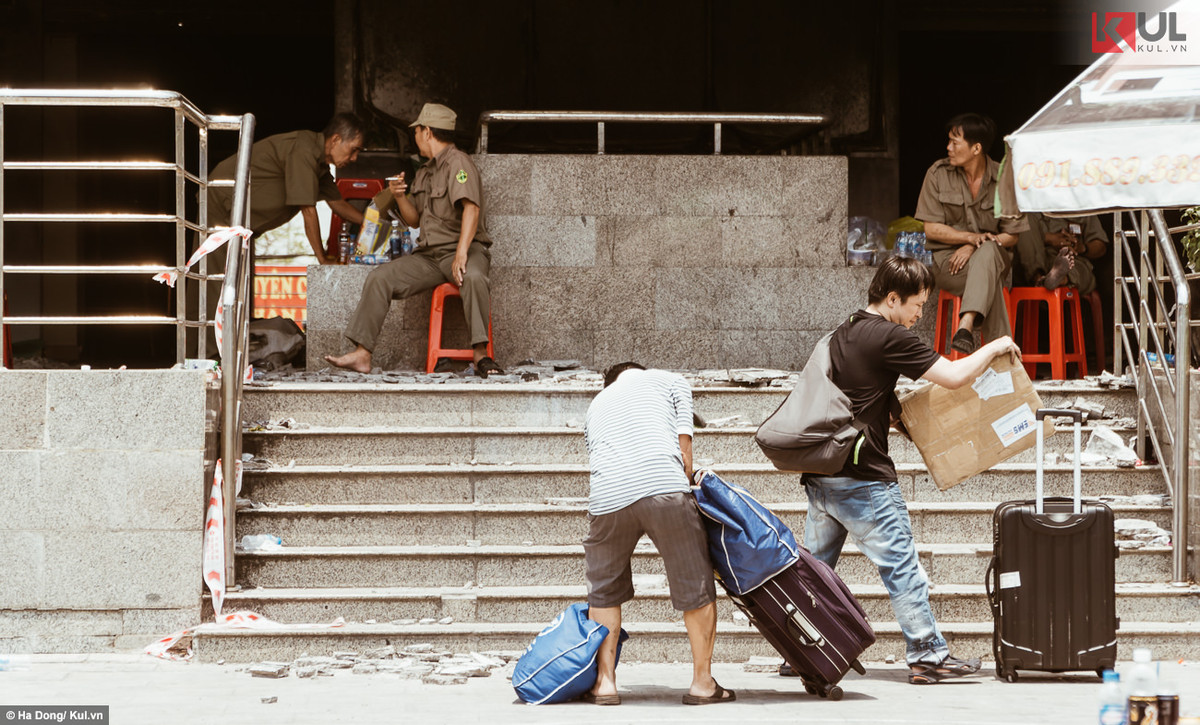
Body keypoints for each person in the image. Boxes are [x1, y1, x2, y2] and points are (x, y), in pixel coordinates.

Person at [804, 255, 1021, 685]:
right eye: (917, 305)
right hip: (864, 477)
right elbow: (955, 376)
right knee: (902, 566)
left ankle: (802, 648)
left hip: (824, 474)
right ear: (891, 299)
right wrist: (997, 344)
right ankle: (927, 653)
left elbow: (861, 400)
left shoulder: (842, 333)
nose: (920, 314)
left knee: (815, 572)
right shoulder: (887, 335)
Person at [580, 362, 733, 706]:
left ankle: (605, 683)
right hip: (662, 486)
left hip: (607, 499)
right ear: (640, 371)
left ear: (610, 382)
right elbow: (684, 450)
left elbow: (599, 456)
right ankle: (702, 683)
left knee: (603, 591)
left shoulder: (595, 405)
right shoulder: (670, 380)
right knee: (695, 582)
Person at [324, 103, 502, 377]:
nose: (414, 136)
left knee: (474, 277)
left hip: (463, 248)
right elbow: (414, 220)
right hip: (430, 257)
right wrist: (398, 195)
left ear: (427, 131)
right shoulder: (425, 171)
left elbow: (471, 208)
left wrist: (462, 253)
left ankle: (481, 355)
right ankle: (362, 353)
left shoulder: (459, 163)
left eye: (416, 131)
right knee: (380, 278)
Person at [916, 112, 1028, 355]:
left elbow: (1012, 236)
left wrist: (976, 246)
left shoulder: (1003, 179)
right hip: (950, 265)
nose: (948, 147)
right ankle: (1003, 362)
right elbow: (931, 228)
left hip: (994, 258)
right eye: (949, 141)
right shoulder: (937, 174)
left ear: (976, 148)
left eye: (955, 142)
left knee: (988, 253)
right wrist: (969, 238)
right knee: (990, 280)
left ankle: (966, 324)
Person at [208, 112, 367, 264]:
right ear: (336, 140)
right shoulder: (304, 150)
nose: (354, 158)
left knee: (239, 279)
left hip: (240, 219)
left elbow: (337, 203)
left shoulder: (320, 164)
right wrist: (323, 259)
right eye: (353, 150)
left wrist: (376, 224)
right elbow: (308, 211)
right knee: (218, 278)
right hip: (224, 197)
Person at [1016, 212, 1106, 294]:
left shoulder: (1083, 206)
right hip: (1037, 259)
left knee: (1077, 271)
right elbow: (1015, 238)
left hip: (1072, 260)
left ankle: (1059, 279)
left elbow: (1100, 247)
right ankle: (1039, 279)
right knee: (1024, 220)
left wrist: (1081, 247)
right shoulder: (1030, 205)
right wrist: (1047, 239)